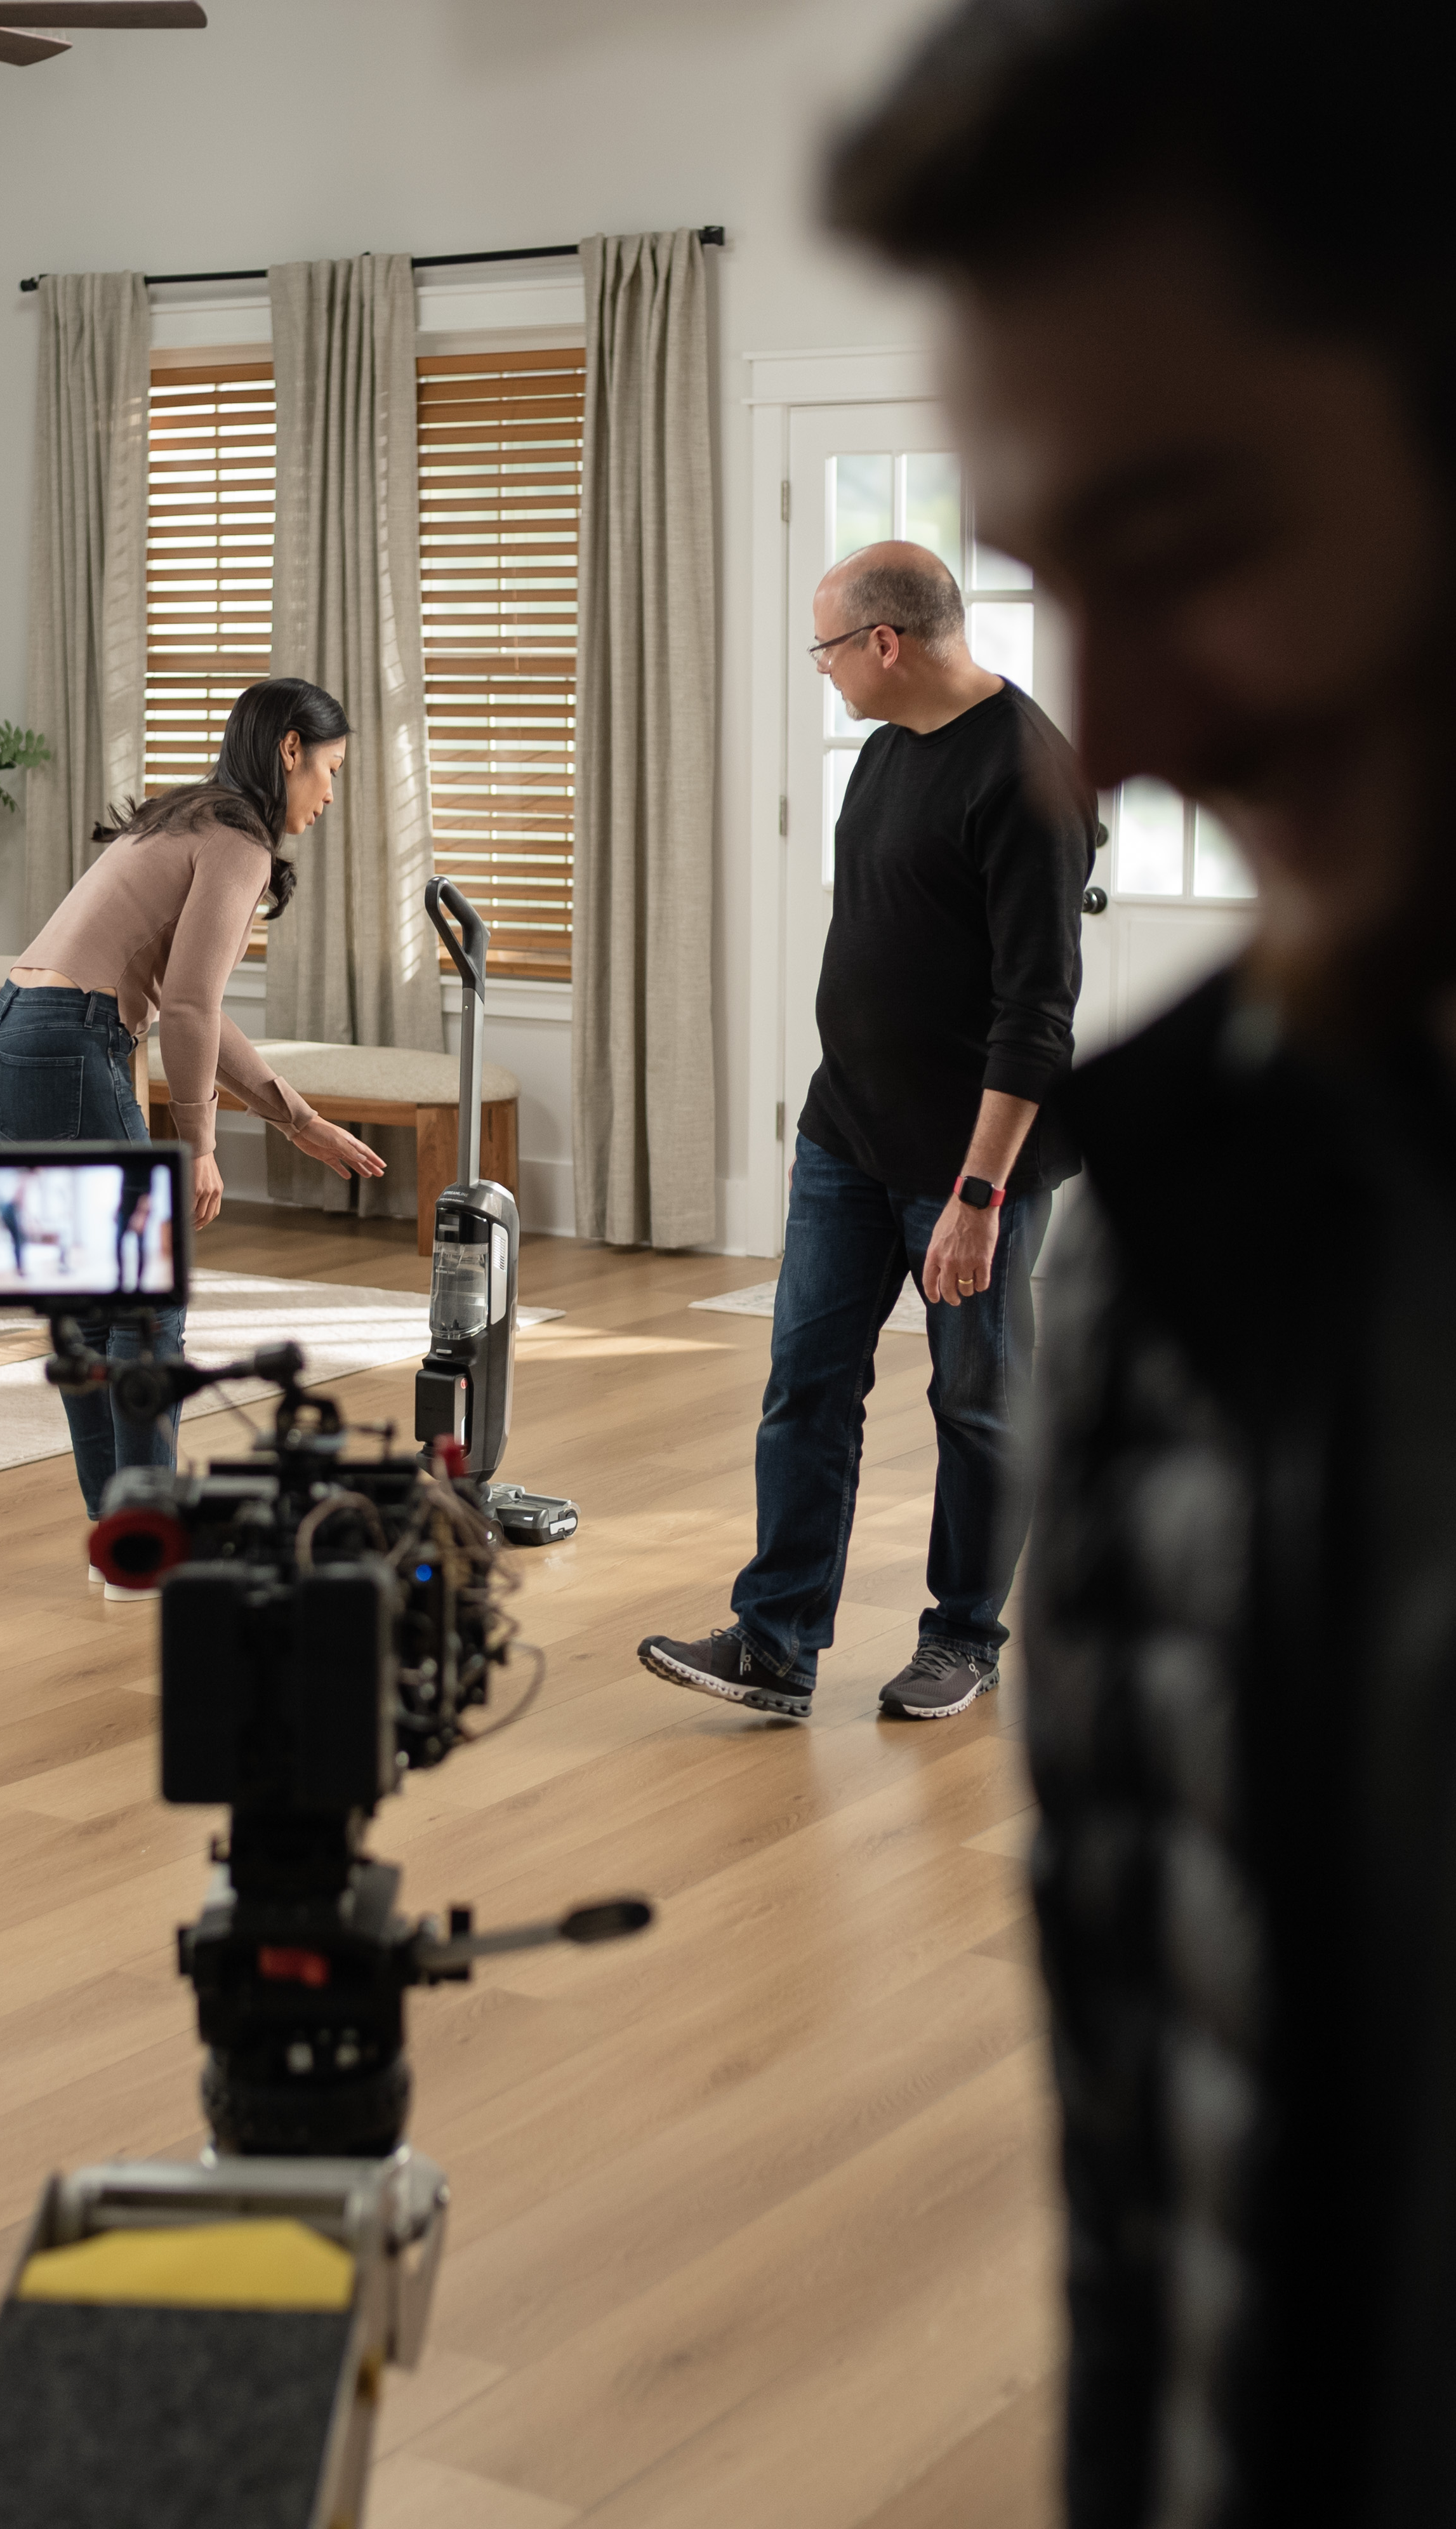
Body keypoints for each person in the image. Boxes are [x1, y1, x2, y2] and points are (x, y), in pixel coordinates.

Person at [829, 3, 1456, 2521]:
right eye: (1058, 580)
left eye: (1195, 544)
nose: (1132, 721)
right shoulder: (1176, 1243)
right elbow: (1169, 2240)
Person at [639, 543, 1094, 1720]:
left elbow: (1036, 1017)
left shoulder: (1030, 778)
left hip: (972, 1166)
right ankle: (775, 1645)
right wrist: (833, 1111)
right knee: (806, 1384)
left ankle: (965, 1637)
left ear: (885, 643)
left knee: (977, 1406)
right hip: (847, 1135)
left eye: (829, 647)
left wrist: (980, 1197)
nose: (823, 668)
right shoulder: (889, 748)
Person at [0, 677, 385, 1523]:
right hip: (70, 1050)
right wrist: (200, 1147)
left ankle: (122, 1537)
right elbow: (191, 1006)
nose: (330, 795)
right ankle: (148, 1528)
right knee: (149, 1306)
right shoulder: (238, 841)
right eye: (331, 770)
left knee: (89, 1314)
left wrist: (296, 1119)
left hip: (3, 1047)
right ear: (291, 750)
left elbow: (191, 1005)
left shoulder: (180, 817)